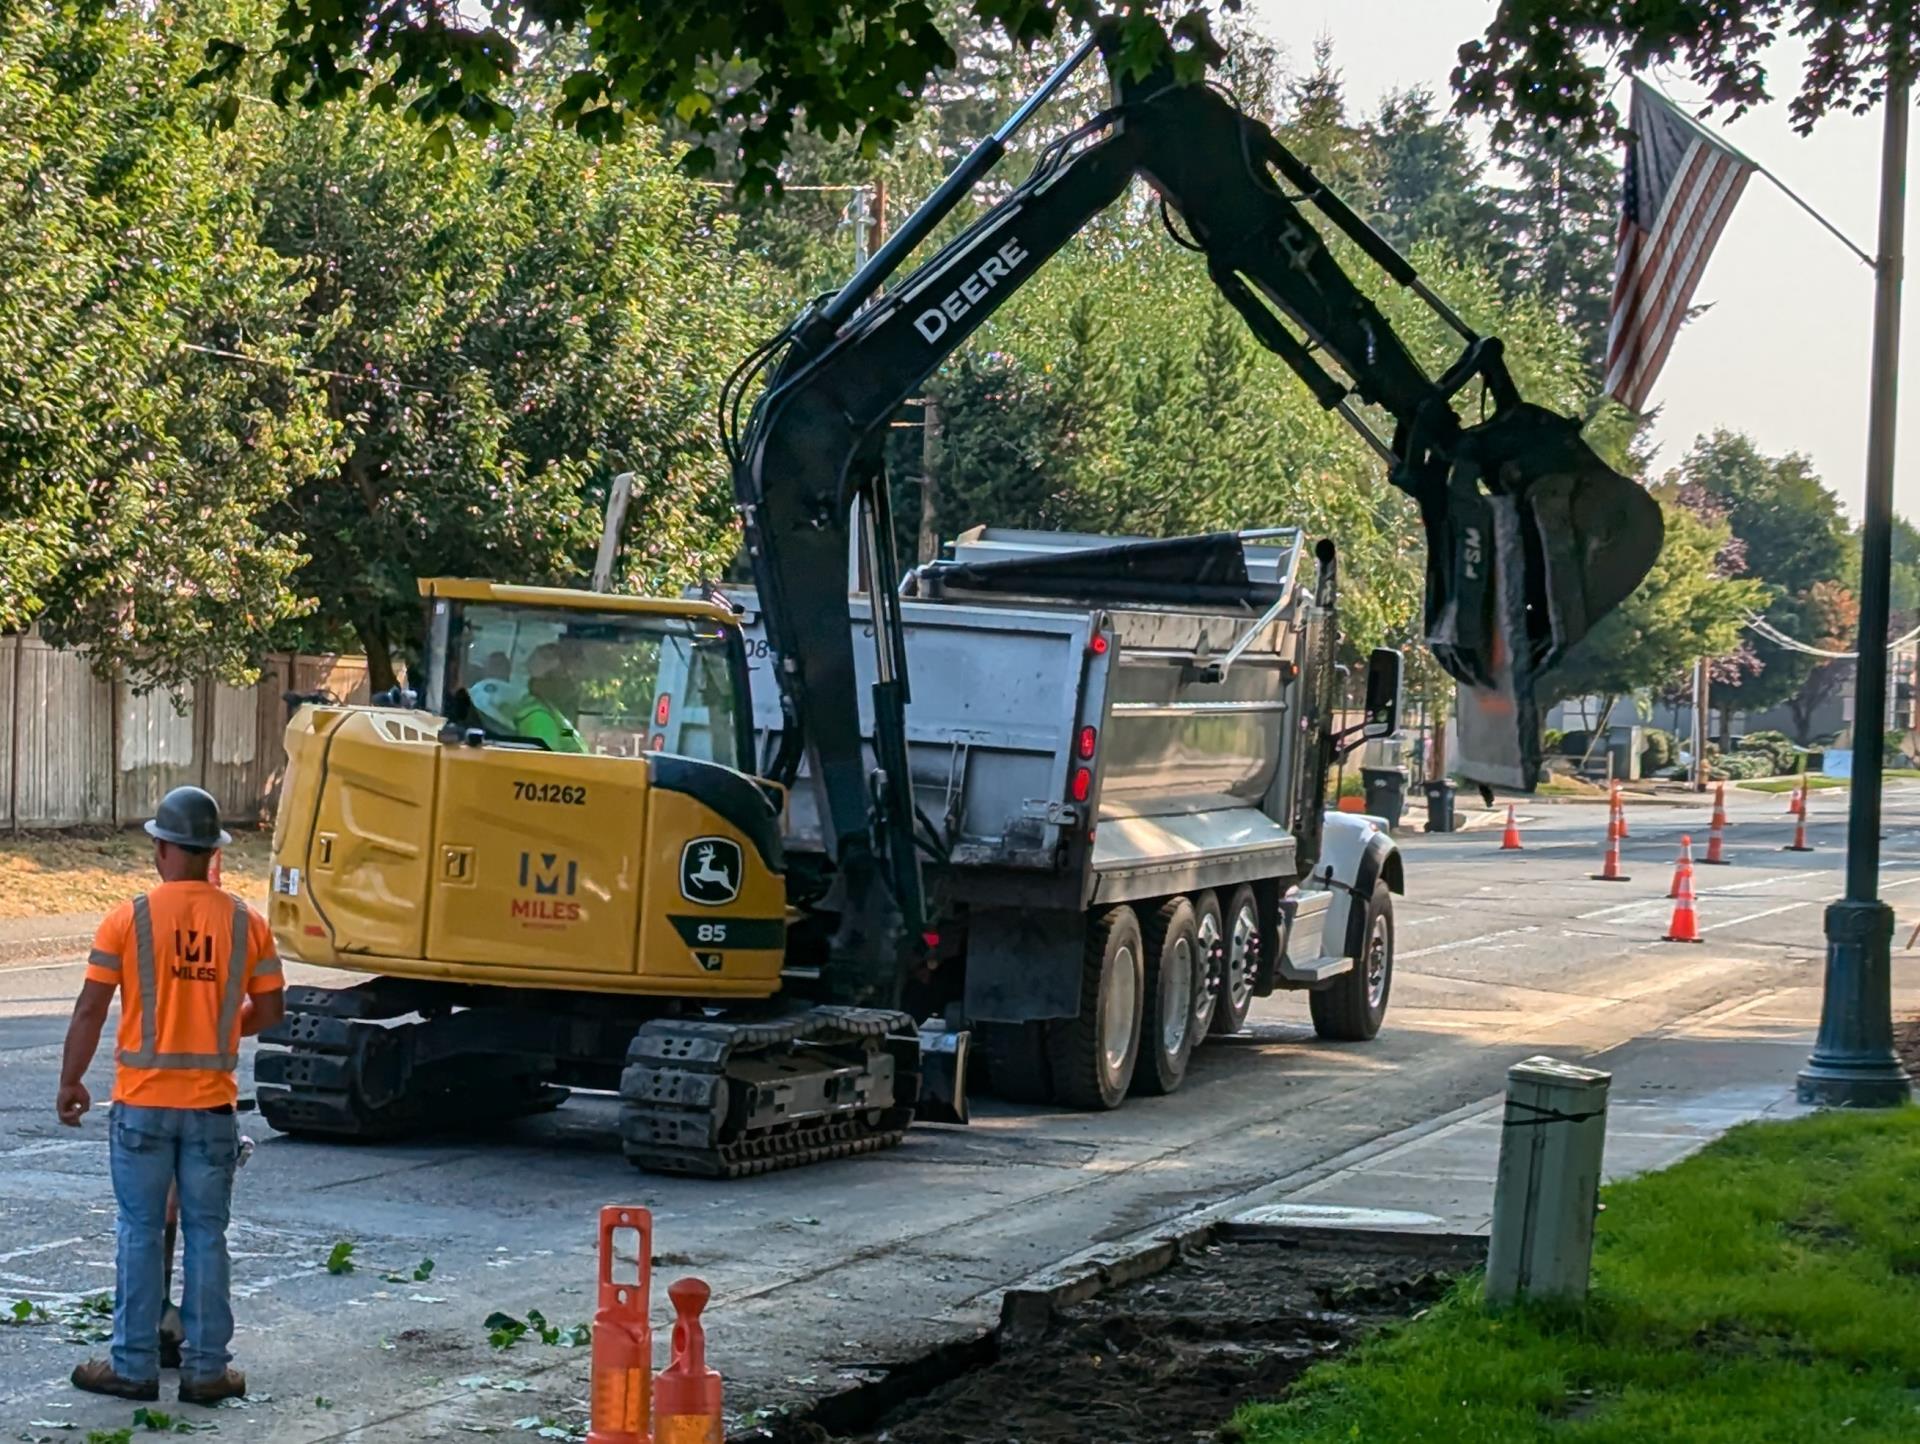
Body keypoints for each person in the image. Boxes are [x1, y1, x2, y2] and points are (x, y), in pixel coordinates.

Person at [56, 786, 286, 1406]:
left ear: (161, 850)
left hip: (142, 1107)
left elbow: (90, 1010)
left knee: (139, 1232)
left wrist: (72, 1081)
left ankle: (132, 1366)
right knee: (208, 1235)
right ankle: (207, 1370)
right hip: (211, 1109)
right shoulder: (247, 922)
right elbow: (270, 1008)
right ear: (212, 852)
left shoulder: (127, 918)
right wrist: (216, 1024)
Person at [469, 643, 586, 753]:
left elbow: (565, 734)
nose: (574, 685)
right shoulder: (539, 718)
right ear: (545, 682)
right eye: (566, 678)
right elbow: (544, 765)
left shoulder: (550, 711)